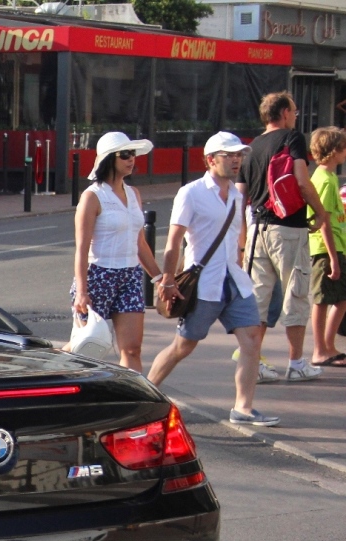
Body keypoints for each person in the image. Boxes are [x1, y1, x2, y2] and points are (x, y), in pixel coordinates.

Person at [148, 132, 277, 427]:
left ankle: (243, 408)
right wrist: (167, 279)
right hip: (203, 282)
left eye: (239, 155)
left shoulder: (235, 193)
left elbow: (237, 235)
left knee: (252, 338)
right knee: (184, 346)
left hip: (233, 278)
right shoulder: (191, 193)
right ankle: (146, 392)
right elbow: (174, 241)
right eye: (229, 155)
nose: (236, 160)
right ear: (210, 160)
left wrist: (242, 257)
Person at [236, 91, 338, 383]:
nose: (295, 115)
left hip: (258, 229)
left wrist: (242, 241)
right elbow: (303, 182)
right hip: (289, 229)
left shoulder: (251, 147)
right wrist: (321, 213)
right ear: (283, 113)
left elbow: (240, 197)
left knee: (258, 299)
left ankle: (253, 363)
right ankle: (296, 362)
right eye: (293, 110)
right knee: (296, 293)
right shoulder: (292, 139)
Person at [71, 131, 161, 372]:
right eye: (125, 154)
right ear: (109, 158)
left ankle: (136, 403)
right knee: (87, 348)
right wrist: (82, 291)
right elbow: (81, 248)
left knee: (132, 349)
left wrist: (159, 278)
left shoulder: (134, 194)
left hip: (130, 276)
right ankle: (48, 367)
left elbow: (140, 242)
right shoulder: (93, 196)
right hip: (98, 276)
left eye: (133, 154)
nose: (131, 159)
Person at [306, 126, 346, 367]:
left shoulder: (329, 177)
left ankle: (328, 345)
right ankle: (320, 349)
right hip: (326, 248)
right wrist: (332, 256)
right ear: (334, 152)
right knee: (322, 299)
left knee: (340, 297)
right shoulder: (325, 180)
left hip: (335, 247)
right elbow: (324, 221)